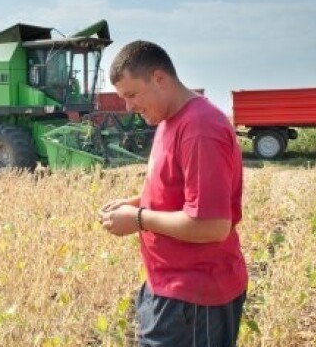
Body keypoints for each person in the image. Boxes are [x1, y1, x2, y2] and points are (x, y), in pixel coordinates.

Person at [98, 41, 247, 346]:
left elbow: (212, 224)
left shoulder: (199, 128)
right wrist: (137, 203)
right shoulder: (169, 119)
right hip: (170, 288)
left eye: (132, 95)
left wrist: (139, 218)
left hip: (194, 300)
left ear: (159, 79)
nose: (129, 107)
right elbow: (184, 192)